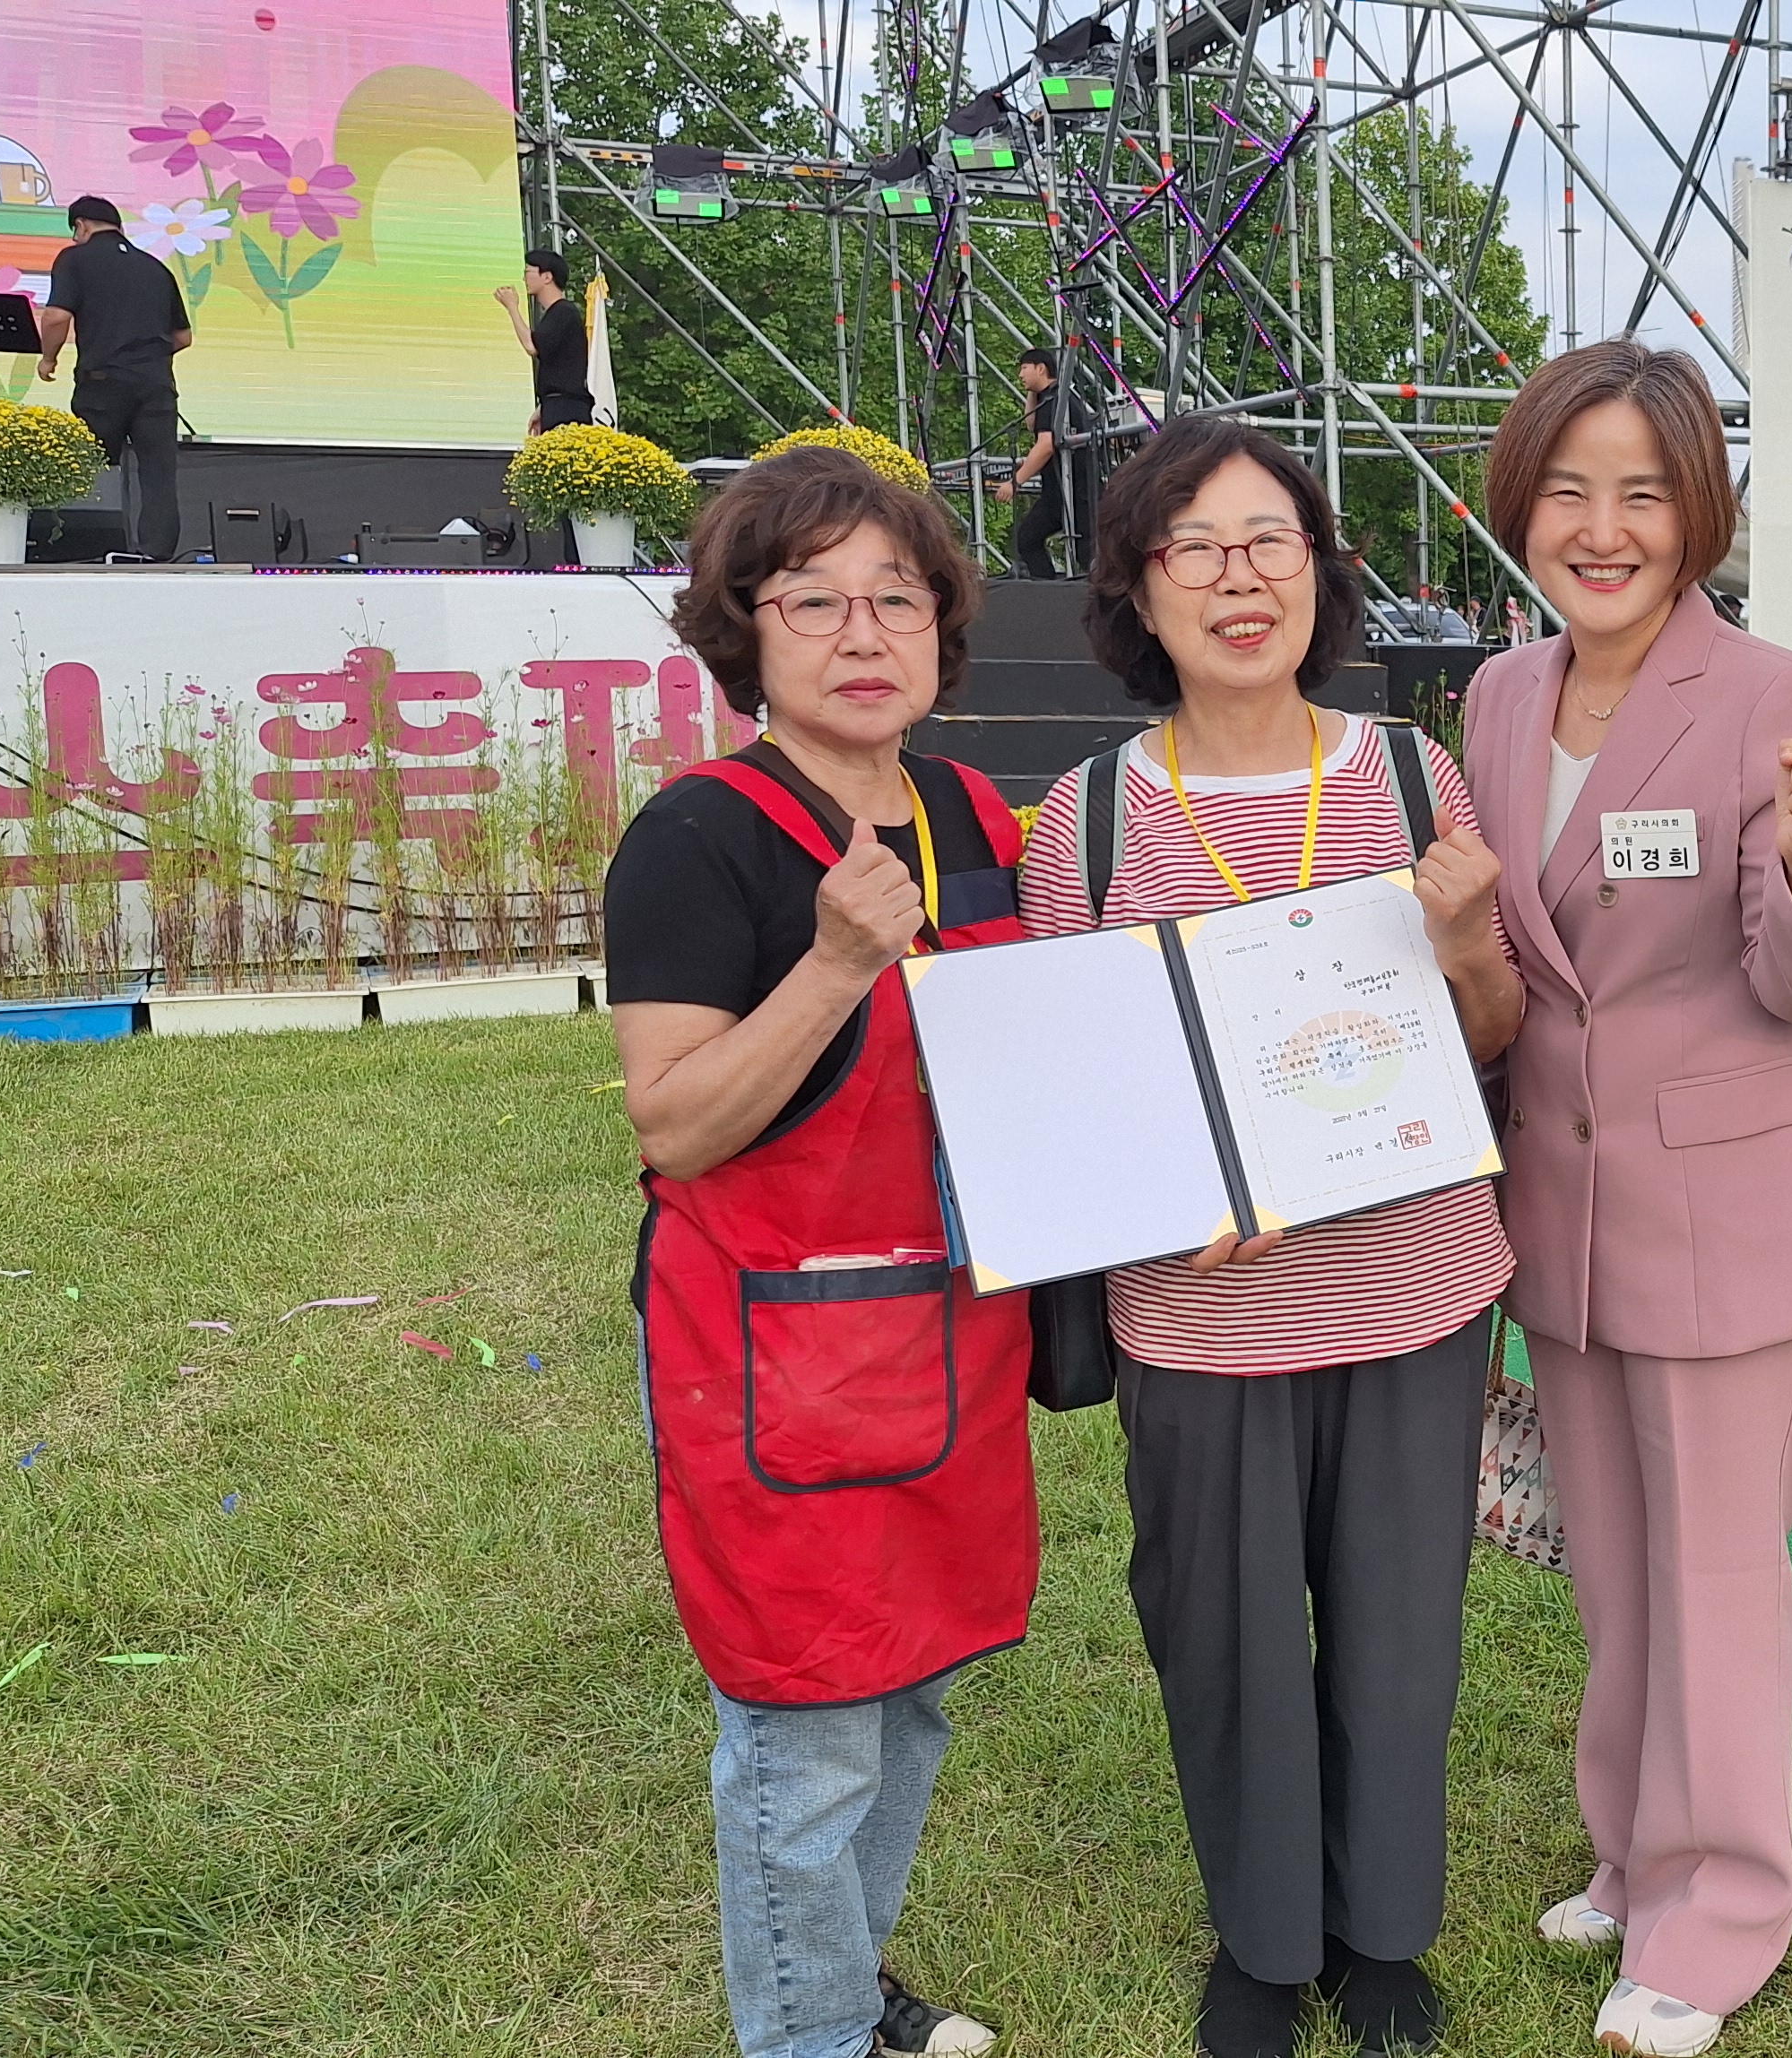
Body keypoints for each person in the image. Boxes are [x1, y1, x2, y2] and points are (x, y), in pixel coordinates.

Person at [1015, 416, 1520, 2058]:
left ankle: (1382, 1937)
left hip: (1412, 1288)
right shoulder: (1085, 823)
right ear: (1138, 589)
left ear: (1319, 571)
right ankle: (1263, 1937)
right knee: (1224, 1642)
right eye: (1195, 548)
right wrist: (1169, 1196)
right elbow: (1081, 1090)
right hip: (1201, 1314)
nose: (1239, 580)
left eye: (1270, 543)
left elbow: (1493, 1034)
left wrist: (1468, 942)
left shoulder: (1413, 776)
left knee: (1398, 1640)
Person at [1460, 342, 1792, 2058]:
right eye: (1569, 490)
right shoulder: (1498, 697)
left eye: (1642, 491)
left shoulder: (1782, 695)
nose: (1603, 527)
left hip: (1725, 1216)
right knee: (1618, 1571)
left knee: (1718, 1577)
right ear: (1523, 507)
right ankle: (1636, 1856)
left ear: (1697, 509)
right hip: (1561, 1216)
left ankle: (1721, 1916)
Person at [602, 445, 1032, 2058]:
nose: (863, 634)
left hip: (947, 1333)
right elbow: (675, 1123)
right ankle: (809, 2037)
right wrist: (838, 963)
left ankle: (841, 1988)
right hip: (774, 1351)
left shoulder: (969, 811)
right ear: (747, 632)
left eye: (896, 599)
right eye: (813, 602)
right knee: (806, 1726)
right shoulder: (697, 839)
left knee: (908, 1695)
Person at [32, 195, 186, 563]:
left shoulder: (75, 259)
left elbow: (56, 316)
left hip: (103, 381)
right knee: (158, 473)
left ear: (81, 226)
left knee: (95, 467)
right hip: (156, 386)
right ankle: (157, 554)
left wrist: (48, 357)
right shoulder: (155, 268)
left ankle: (94, 549)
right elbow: (183, 337)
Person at [991, 347, 1078, 578]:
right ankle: (1048, 587)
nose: (1020, 375)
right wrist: (1032, 391)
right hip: (1057, 490)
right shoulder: (1047, 397)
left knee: (1084, 547)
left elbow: (1045, 445)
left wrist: (1015, 482)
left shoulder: (1057, 399)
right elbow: (1032, 424)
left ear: (1041, 369)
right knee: (1028, 538)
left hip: (1074, 489)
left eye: (1024, 368)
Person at [495, 249, 597, 437]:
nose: (524, 278)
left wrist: (512, 307)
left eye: (528, 272)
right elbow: (562, 369)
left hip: (566, 410)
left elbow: (532, 346)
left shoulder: (563, 312)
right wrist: (544, 407)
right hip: (557, 405)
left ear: (547, 277)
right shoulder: (557, 314)